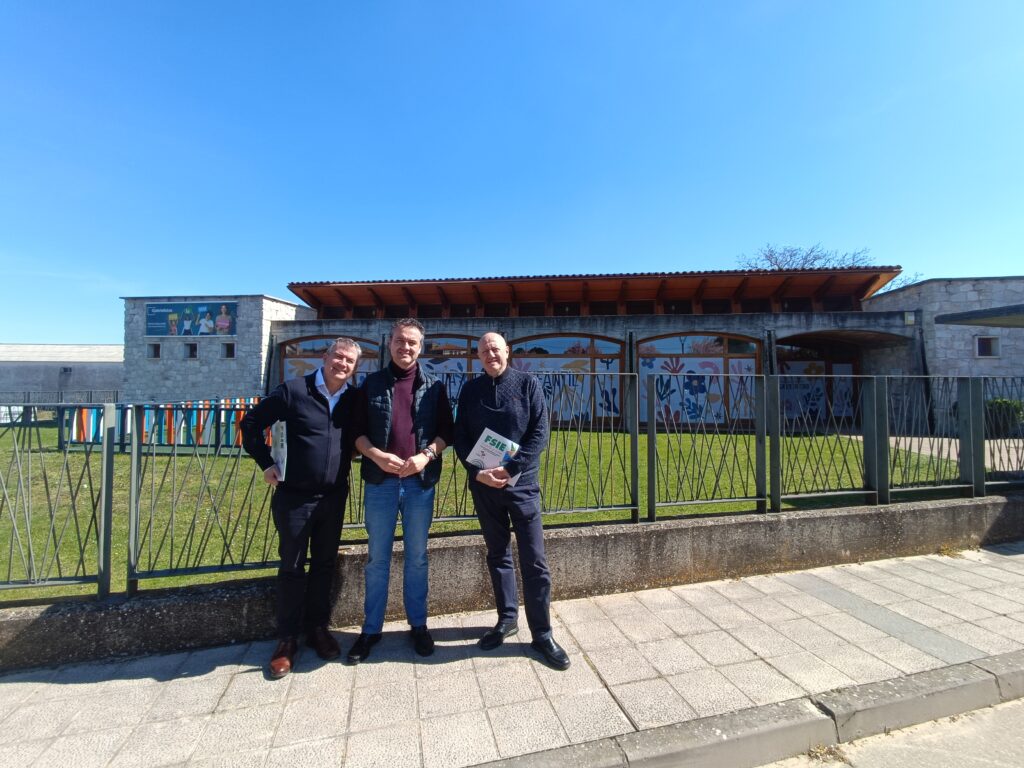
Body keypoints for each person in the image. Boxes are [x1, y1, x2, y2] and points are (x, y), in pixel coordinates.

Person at [241, 337, 361, 678]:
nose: (342, 364)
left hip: (333, 496)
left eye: (350, 361)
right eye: (338, 356)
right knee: (292, 566)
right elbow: (250, 424)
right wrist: (266, 463)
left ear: (355, 367)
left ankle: (318, 629)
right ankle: (287, 640)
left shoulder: (352, 398)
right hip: (294, 497)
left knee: (324, 564)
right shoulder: (293, 391)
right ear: (325, 356)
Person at [454, 332, 570, 670]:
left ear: (507, 351)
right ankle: (507, 619)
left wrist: (510, 468)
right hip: (485, 487)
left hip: (522, 485)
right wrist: (477, 472)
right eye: (484, 350)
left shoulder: (527, 384)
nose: (490, 354)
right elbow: (461, 436)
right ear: (478, 356)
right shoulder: (470, 390)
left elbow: (540, 433)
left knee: (535, 561)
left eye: (495, 348)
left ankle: (542, 633)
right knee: (497, 554)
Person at [346, 319, 454, 663]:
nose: (405, 347)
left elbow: (447, 432)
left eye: (412, 343)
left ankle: (418, 625)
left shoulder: (434, 387)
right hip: (381, 483)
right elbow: (356, 434)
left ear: (420, 347)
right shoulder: (371, 384)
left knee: (417, 557)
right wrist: (377, 456)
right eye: (399, 341)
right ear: (389, 343)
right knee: (377, 558)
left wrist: (426, 456)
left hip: (419, 484)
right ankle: (371, 630)